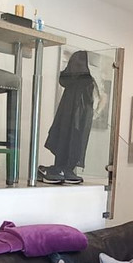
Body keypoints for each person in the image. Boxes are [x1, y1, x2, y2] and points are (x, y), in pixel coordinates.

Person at [41, 50, 95, 184]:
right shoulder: (77, 81)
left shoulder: (84, 82)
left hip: (77, 118)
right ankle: (59, 169)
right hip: (69, 117)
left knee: (73, 141)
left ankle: (62, 169)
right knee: (66, 139)